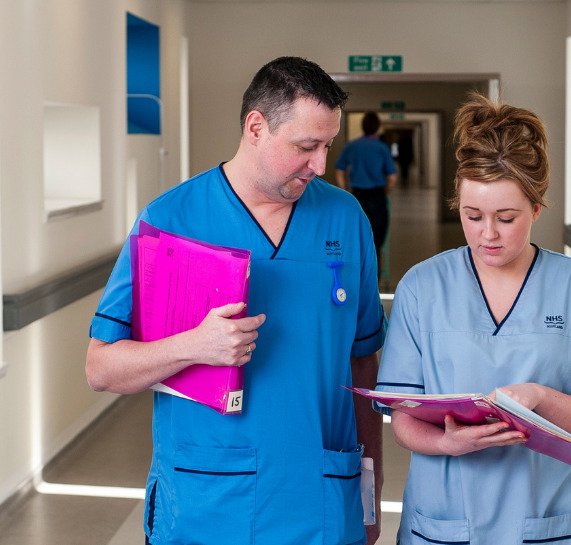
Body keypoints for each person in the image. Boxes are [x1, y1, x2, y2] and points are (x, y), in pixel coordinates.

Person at [86, 56, 386, 545]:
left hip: (322, 500)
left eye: (327, 146)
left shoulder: (344, 218)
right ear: (256, 127)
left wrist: (368, 489)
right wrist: (192, 346)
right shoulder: (171, 220)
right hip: (206, 507)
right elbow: (101, 369)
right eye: (306, 147)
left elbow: (362, 362)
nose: (321, 165)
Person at [373, 93, 571, 544]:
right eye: (473, 216)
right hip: (444, 522)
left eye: (506, 218)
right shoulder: (421, 287)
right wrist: (446, 443)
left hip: (548, 519)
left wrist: (540, 398)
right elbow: (404, 416)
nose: (487, 234)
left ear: (537, 209)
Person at [335, 112, 397, 275]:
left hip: (357, 196)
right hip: (377, 196)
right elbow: (392, 177)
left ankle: (355, 274)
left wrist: (345, 191)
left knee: (356, 237)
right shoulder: (382, 148)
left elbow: (340, 170)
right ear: (377, 128)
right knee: (376, 240)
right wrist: (386, 192)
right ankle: (373, 279)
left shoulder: (352, 146)